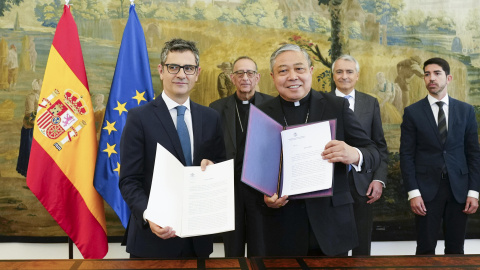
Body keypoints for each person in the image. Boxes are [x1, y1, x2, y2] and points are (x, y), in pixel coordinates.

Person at [257, 44, 380, 256]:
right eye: (283, 71)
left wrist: (354, 154)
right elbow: (252, 166)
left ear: (311, 71)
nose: (292, 76)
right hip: (282, 228)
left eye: (299, 69)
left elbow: (373, 151)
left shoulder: (336, 106)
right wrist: (264, 195)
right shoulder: (260, 114)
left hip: (332, 226)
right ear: (272, 76)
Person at [119, 38, 226, 258]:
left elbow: (220, 167)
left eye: (188, 68)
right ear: (161, 70)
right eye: (173, 67)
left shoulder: (211, 118)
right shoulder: (139, 118)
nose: (181, 74)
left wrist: (214, 168)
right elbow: (129, 180)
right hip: (153, 241)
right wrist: (149, 215)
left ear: (197, 73)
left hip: (198, 241)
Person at [400, 57, 480, 255]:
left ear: (449, 78)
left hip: (459, 190)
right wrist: (413, 193)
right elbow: (406, 155)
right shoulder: (412, 112)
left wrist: (473, 192)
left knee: (456, 250)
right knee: (425, 249)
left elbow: (474, 154)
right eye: (427, 74)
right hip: (426, 192)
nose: (431, 78)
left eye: (437, 73)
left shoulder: (466, 111)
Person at [209, 56, 273, 257]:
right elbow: (211, 147)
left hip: (260, 190)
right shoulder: (217, 108)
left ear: (257, 77)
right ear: (232, 78)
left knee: (260, 250)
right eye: (240, 73)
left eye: (250, 73)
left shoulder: (272, 106)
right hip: (230, 189)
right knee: (232, 251)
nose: (245, 77)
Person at [330, 55, 388, 256]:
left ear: (357, 75)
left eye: (349, 71)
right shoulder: (323, 102)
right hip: (331, 185)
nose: (344, 76)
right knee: (333, 248)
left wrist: (379, 179)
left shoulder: (370, 103)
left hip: (363, 185)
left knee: (361, 249)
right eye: (339, 71)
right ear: (333, 75)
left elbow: (379, 146)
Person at [16, 79, 42, 177]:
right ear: (36, 86)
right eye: (41, 84)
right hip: (30, 128)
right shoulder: (30, 97)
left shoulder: (43, 96)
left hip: (40, 128)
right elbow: (29, 113)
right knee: (30, 152)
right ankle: (30, 175)